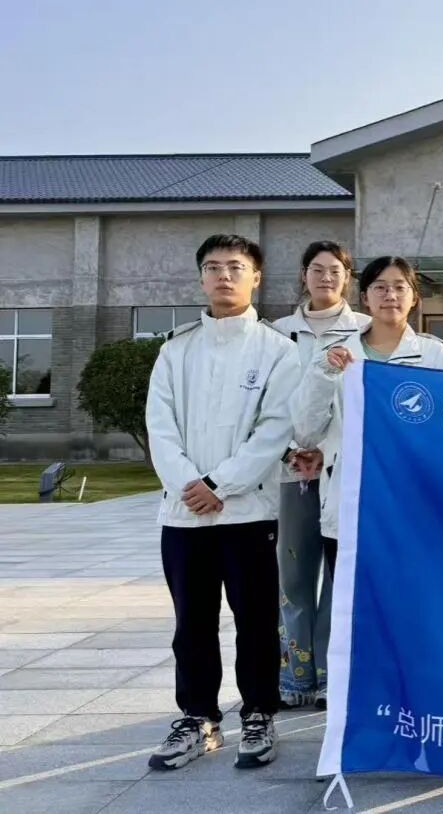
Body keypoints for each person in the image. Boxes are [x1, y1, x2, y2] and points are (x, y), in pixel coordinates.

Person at [145, 234, 301, 771]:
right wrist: (190, 484)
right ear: (201, 278)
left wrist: (221, 484)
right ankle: (198, 718)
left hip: (248, 513)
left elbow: (274, 430)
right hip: (184, 514)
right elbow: (160, 426)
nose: (224, 276)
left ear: (256, 276)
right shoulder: (176, 349)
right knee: (192, 622)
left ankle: (258, 713)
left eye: (235, 267)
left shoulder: (278, 350)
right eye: (212, 267)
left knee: (255, 619)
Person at [291, 256, 443, 578]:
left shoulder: (434, 355)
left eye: (399, 287)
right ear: (365, 297)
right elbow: (306, 432)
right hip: (349, 498)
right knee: (350, 599)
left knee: (407, 596)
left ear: (414, 297)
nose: (390, 295)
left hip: (410, 502)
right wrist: (324, 373)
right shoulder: (335, 355)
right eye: (380, 287)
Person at [270, 241, 367, 711]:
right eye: (317, 269)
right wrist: (291, 449)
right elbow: (268, 405)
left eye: (335, 270)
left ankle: (330, 672)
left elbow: (358, 409)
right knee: (292, 575)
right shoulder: (277, 333)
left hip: (340, 469)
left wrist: (322, 450)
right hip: (291, 471)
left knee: (338, 575)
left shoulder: (364, 330)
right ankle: (294, 671)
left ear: (347, 277)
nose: (326, 277)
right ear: (303, 275)